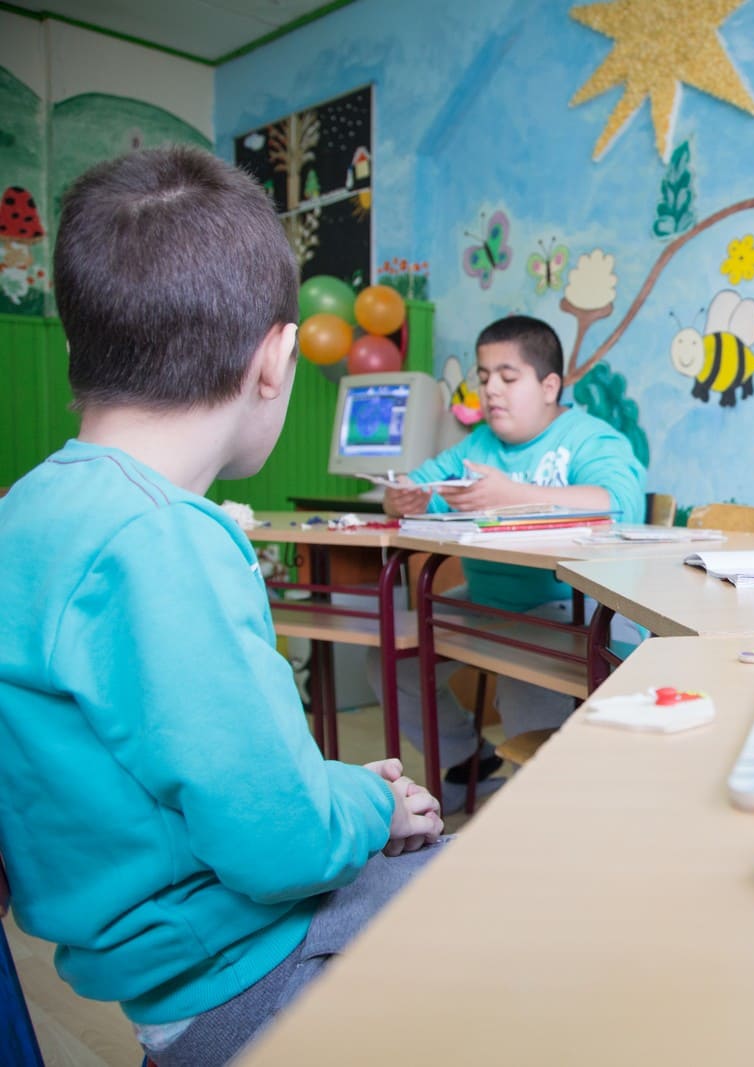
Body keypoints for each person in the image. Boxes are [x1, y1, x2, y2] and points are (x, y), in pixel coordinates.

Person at [0, 146, 444, 1067]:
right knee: (503, 883)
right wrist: (371, 803)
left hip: (151, 976)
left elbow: (168, 771)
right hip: (243, 970)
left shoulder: (26, 509)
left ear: (79, 344)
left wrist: (337, 792)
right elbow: (281, 848)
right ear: (276, 359)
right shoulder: (165, 539)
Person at [374, 315, 647, 797]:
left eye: (507, 376)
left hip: (582, 609)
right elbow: (417, 487)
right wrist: (401, 498)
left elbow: (620, 504)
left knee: (525, 681)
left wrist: (511, 495)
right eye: (483, 378)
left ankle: (542, 810)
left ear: (549, 386)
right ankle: (468, 766)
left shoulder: (589, 437)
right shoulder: (478, 445)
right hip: (487, 606)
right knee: (389, 656)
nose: (491, 390)